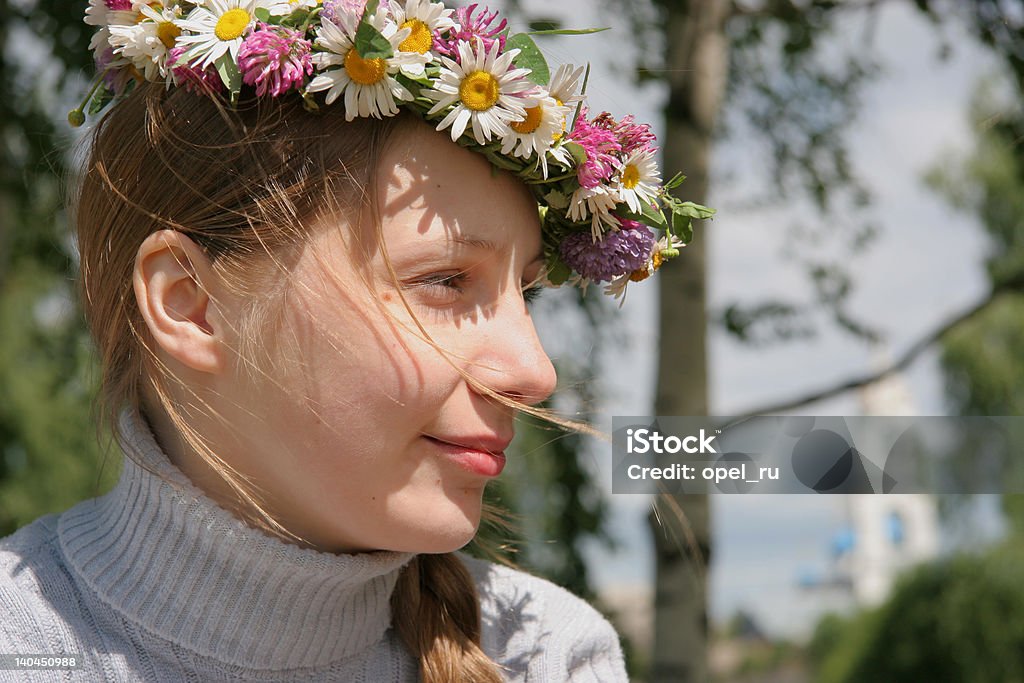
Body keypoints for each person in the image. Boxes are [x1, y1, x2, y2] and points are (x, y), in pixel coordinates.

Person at [1, 1, 706, 680]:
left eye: (524, 293)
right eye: (446, 281)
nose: (534, 370)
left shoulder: (543, 652)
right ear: (191, 304)